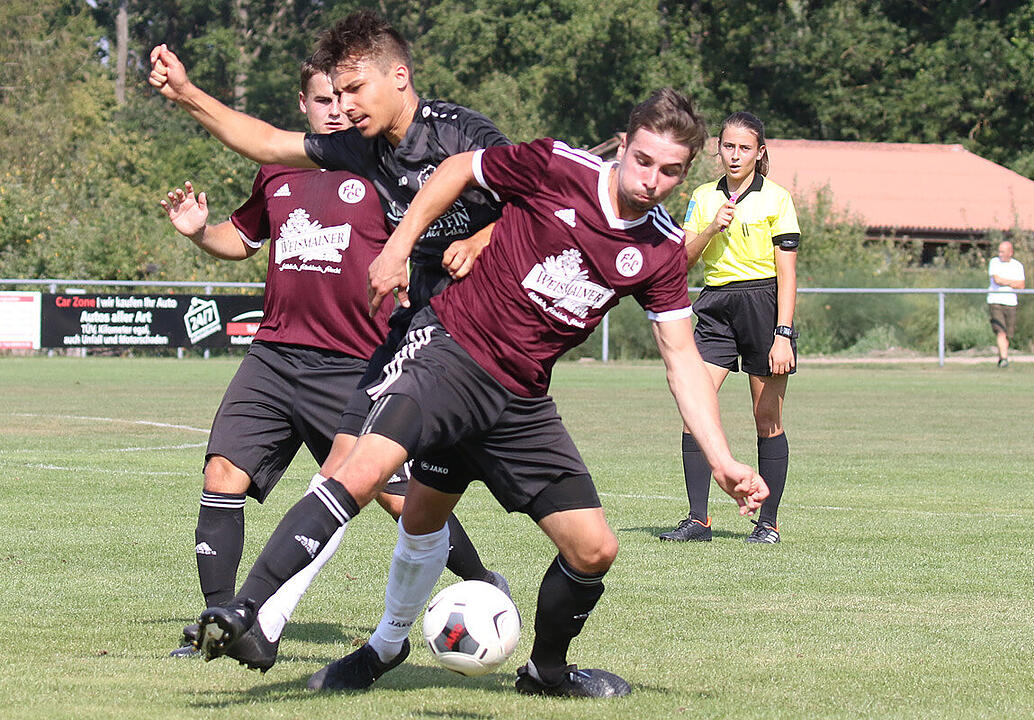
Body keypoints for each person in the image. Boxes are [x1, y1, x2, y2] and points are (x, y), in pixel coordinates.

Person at [192, 88, 768, 698]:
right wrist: (399, 243)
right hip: (451, 356)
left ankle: (546, 673)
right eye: (644, 160)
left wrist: (723, 459)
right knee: (362, 475)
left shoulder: (659, 251)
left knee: (593, 549)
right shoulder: (558, 167)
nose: (653, 179)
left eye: (671, 170)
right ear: (624, 148)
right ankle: (251, 611)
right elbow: (461, 167)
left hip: (520, 402)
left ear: (687, 172)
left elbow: (681, 359)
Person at [159, 55, 503, 671]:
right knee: (221, 474)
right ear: (304, 106)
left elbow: (461, 208)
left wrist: (470, 241)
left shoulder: (379, 166)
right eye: (326, 101)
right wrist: (197, 232)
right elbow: (241, 240)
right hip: (273, 354)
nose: (339, 110)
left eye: (348, 98)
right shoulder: (278, 174)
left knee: (403, 502)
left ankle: (481, 581)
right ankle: (222, 621)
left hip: (356, 357)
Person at [658, 111, 799, 545]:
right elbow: (681, 261)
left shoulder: (777, 198)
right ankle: (698, 520)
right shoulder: (702, 197)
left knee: (766, 418)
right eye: (728, 146)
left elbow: (788, 274)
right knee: (693, 413)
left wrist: (783, 333)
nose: (735, 154)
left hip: (763, 305)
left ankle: (767, 524)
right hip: (716, 306)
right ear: (718, 149)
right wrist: (708, 228)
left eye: (744, 147)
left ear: (760, 152)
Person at [987, 240, 1025, 367]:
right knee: (1000, 331)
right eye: (999, 251)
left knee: (1008, 334)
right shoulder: (994, 262)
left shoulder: (1017, 266)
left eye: (1003, 251)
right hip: (995, 301)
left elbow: (1021, 285)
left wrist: (1006, 281)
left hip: (1011, 302)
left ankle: (1002, 357)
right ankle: (1004, 358)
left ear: (1010, 252)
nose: (1000, 254)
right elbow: (997, 280)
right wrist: (1012, 282)